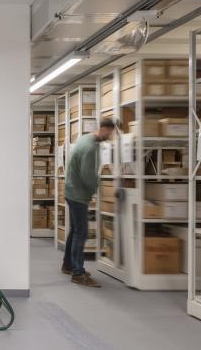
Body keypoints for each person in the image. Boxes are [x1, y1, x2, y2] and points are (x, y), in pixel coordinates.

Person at [61, 118, 117, 287]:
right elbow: (87, 175)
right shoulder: (91, 146)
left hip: (71, 191)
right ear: (105, 129)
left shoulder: (85, 138)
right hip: (77, 194)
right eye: (111, 133)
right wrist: (97, 187)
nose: (111, 136)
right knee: (82, 233)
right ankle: (78, 273)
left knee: (75, 231)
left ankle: (68, 265)